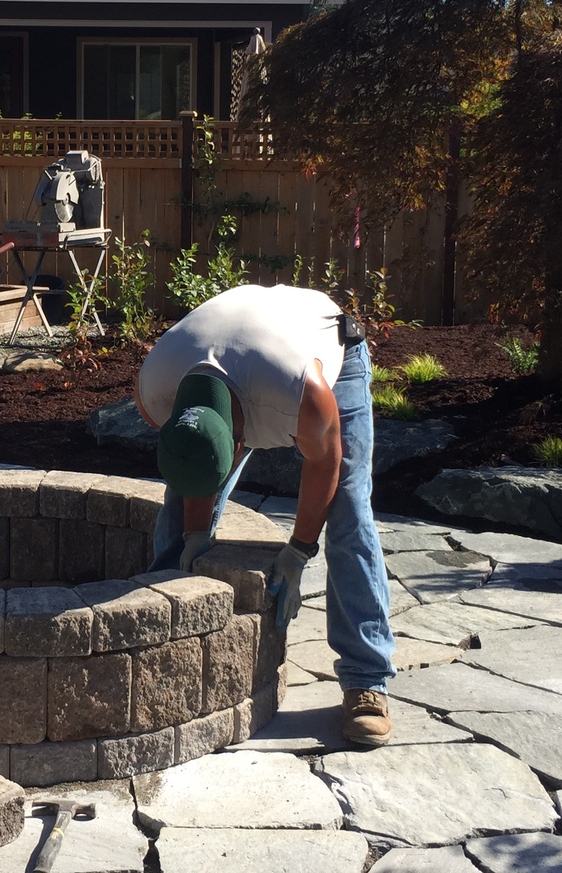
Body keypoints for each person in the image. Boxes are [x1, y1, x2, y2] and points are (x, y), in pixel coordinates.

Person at [134, 283, 396, 745]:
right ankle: (162, 642)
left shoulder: (303, 393)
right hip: (247, 355)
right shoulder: (153, 391)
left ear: (240, 435)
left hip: (328, 348)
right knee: (180, 503)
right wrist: (194, 534)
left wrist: (298, 550)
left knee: (349, 514)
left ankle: (366, 677)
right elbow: (200, 465)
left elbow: (326, 462)